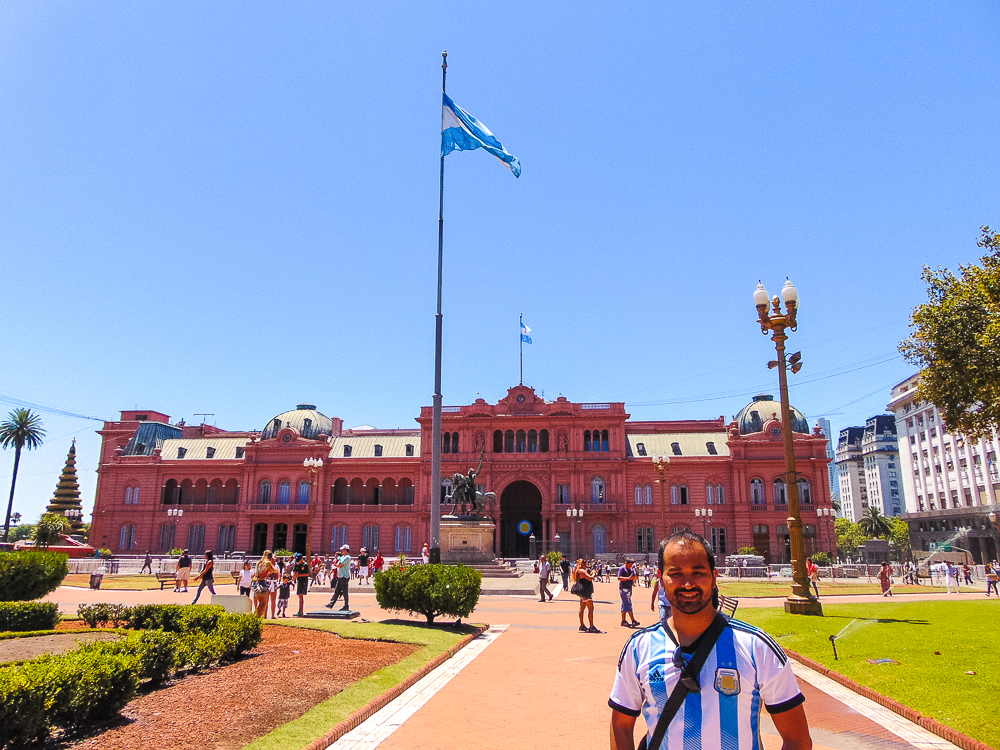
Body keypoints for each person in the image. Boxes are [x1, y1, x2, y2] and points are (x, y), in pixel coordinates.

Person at [609, 531, 811, 750]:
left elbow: (797, 738)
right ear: (661, 578)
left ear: (714, 577)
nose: (687, 584)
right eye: (675, 573)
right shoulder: (639, 648)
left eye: (698, 573)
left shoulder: (756, 647)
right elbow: (621, 725)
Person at [572, 558, 599, 633]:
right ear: (583, 564)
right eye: (585, 563)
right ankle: (591, 626)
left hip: (583, 592)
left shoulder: (579, 570)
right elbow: (590, 578)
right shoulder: (582, 571)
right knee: (591, 608)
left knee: (582, 608)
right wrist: (594, 573)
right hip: (585, 592)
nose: (586, 565)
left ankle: (582, 625)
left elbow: (586, 577)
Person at [326, 543, 352, 610]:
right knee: (337, 591)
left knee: (345, 591)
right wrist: (338, 564)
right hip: (340, 576)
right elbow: (337, 564)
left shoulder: (347, 557)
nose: (342, 551)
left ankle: (346, 606)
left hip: (344, 577)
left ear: (346, 550)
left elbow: (339, 564)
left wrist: (338, 564)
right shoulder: (342, 557)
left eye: (343, 550)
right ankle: (331, 604)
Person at [252, 550, 277, 618]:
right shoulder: (268, 563)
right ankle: (259, 617)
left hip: (256, 582)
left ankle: (257, 617)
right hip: (263, 582)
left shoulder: (259, 562)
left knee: (260, 603)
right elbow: (275, 570)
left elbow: (256, 572)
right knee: (263, 603)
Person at [618, 558, 640, 628]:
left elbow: (634, 578)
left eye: (631, 565)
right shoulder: (622, 569)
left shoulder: (631, 569)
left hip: (629, 588)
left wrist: (636, 575)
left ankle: (623, 621)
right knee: (628, 604)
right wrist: (628, 578)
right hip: (623, 588)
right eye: (629, 565)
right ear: (626, 563)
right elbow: (619, 578)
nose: (630, 566)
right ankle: (633, 620)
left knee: (624, 604)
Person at [293, 551, 310, 616]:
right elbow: (294, 571)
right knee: (299, 596)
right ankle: (300, 610)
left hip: (304, 581)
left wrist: (299, 575)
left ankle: (301, 611)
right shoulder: (297, 564)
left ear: (302, 559)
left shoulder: (305, 565)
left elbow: (307, 574)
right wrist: (294, 575)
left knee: (301, 595)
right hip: (299, 581)